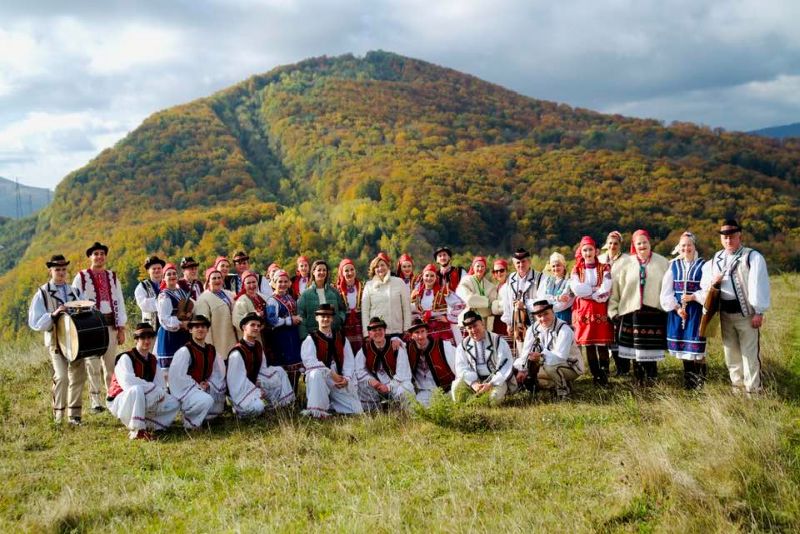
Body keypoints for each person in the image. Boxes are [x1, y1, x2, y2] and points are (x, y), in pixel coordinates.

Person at [700, 219, 770, 395]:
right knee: (731, 353)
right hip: (725, 314)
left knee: (749, 354)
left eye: (731, 236)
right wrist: (713, 283)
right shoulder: (717, 258)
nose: (728, 240)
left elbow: (758, 284)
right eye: (725, 237)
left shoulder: (752, 257)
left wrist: (759, 311)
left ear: (740, 236)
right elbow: (706, 284)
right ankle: (737, 388)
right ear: (721, 239)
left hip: (746, 314)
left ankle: (753, 391)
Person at [28, 254, 87, 425]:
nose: (61, 272)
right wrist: (53, 314)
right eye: (57, 269)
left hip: (76, 340)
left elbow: (86, 308)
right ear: (51, 271)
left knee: (78, 375)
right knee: (62, 377)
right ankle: (58, 417)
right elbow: (35, 322)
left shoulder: (74, 291)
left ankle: (74, 416)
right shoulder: (42, 293)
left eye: (63, 269)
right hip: (56, 341)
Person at [609, 230, 669, 386]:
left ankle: (652, 380)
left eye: (645, 242)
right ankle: (639, 381)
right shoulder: (624, 264)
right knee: (635, 352)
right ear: (634, 246)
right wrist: (613, 311)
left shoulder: (663, 262)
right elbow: (615, 289)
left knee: (651, 352)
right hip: (631, 313)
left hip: (654, 313)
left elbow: (669, 287)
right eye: (639, 243)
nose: (642, 245)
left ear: (650, 243)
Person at [72, 241, 127, 413]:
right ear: (90, 257)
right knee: (93, 365)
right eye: (95, 254)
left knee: (110, 365)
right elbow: (74, 302)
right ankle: (95, 402)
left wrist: (121, 328)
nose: (99, 257)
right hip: (92, 327)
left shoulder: (112, 277)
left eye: (102, 254)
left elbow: (120, 301)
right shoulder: (81, 277)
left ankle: (112, 398)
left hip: (111, 325)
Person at [107, 323, 180, 440]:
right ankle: (138, 430)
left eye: (149, 337)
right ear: (136, 339)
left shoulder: (152, 359)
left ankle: (152, 425)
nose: (147, 341)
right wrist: (154, 390)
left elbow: (160, 384)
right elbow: (127, 382)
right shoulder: (126, 358)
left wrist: (161, 393)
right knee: (137, 389)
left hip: (143, 395)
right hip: (120, 400)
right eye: (143, 338)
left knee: (174, 402)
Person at [660, 232, 710, 389]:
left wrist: (694, 296)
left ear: (694, 246)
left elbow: (708, 290)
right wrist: (676, 308)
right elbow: (666, 292)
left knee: (697, 349)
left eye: (689, 245)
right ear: (679, 247)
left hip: (696, 312)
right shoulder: (673, 266)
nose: (686, 248)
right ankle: (689, 382)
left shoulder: (703, 265)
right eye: (683, 245)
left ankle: (700, 382)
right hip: (678, 313)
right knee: (684, 349)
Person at [299, 304, 363, 418]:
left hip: (337, 380)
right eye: (322, 316)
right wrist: (330, 373)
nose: (325, 319)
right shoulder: (311, 339)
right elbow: (310, 362)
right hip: (320, 379)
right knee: (315, 373)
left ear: (332, 319)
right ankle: (317, 411)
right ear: (317, 318)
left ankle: (330, 405)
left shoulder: (341, 338)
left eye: (328, 316)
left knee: (357, 410)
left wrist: (346, 378)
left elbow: (349, 362)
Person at [226, 312, 295, 417]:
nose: (256, 328)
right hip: (241, 393)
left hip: (253, 384)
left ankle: (284, 403)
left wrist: (262, 384)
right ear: (244, 327)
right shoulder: (237, 353)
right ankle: (238, 409)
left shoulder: (258, 346)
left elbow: (262, 369)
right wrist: (256, 391)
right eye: (252, 325)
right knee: (258, 407)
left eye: (258, 326)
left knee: (279, 371)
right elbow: (236, 383)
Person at [514, 300, 584, 399]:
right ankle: (560, 384)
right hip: (546, 364)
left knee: (550, 367)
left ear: (553, 312)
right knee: (523, 373)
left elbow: (560, 357)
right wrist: (522, 370)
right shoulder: (533, 329)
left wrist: (541, 357)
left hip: (571, 366)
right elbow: (526, 352)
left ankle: (563, 392)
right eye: (539, 316)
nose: (543, 318)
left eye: (546, 314)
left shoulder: (564, 329)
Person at [569, 237, 614, 386]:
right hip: (584, 311)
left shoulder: (604, 268)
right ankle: (595, 374)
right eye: (585, 250)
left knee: (602, 343)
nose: (588, 253)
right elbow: (577, 289)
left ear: (596, 251)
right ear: (581, 252)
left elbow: (606, 288)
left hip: (600, 309)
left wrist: (590, 293)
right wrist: (595, 291)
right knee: (589, 344)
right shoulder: (576, 269)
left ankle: (604, 373)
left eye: (590, 249)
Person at [169, 315, 227, 429]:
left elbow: (218, 372)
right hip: (188, 390)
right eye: (196, 327)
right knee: (206, 400)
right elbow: (178, 377)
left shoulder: (211, 350)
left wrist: (209, 384)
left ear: (207, 330)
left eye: (203, 327)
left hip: (205, 387)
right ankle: (190, 423)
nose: (200, 329)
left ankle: (204, 416)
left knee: (218, 401)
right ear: (190, 330)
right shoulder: (185, 351)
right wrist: (197, 386)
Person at [452, 310, 516, 405]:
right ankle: (463, 407)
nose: (473, 330)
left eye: (475, 326)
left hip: (496, 381)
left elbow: (505, 366)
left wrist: (490, 384)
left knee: (493, 399)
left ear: (482, 324)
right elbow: (461, 368)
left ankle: (502, 395)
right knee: (456, 387)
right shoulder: (463, 345)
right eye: (469, 328)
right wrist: (473, 384)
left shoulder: (497, 341)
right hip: (475, 382)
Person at [355, 317, 415, 411]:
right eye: (374, 330)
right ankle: (376, 409)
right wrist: (370, 380)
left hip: (395, 385)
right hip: (376, 386)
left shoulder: (396, 347)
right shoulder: (365, 349)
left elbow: (403, 373)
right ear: (370, 333)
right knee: (359, 385)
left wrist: (388, 387)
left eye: (380, 329)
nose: (378, 332)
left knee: (406, 388)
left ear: (385, 331)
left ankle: (402, 409)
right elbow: (359, 370)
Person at [500, 248, 545, 356]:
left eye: (523, 261)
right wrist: (508, 323)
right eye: (518, 262)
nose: (521, 265)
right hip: (518, 324)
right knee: (521, 354)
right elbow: (507, 302)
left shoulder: (540, 277)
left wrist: (525, 304)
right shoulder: (511, 278)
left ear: (529, 261)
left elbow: (543, 301)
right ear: (514, 264)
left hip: (535, 322)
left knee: (536, 353)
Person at [266, 270, 304, 391]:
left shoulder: (289, 297)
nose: (283, 284)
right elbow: (272, 320)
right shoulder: (272, 300)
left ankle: (294, 394)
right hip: (281, 337)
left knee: (295, 367)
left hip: (293, 335)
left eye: (285, 281)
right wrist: (290, 320)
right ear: (274, 283)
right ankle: (286, 395)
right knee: (285, 367)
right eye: (280, 282)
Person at [598, 230, 630, 376]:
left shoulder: (627, 260)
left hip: (620, 301)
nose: (612, 246)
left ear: (620, 245)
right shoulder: (600, 259)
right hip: (602, 301)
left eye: (615, 243)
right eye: (610, 243)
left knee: (620, 334)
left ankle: (624, 368)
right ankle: (614, 366)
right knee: (608, 335)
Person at [361, 252, 412, 340]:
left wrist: (407, 329)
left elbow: (406, 308)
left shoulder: (399, 282)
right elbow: (365, 312)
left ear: (388, 266)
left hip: (396, 331)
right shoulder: (369, 286)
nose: (380, 268)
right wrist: (366, 333)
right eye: (377, 266)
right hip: (376, 332)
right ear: (373, 269)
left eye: (382, 265)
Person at [406, 318, 456, 407]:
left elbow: (457, 366)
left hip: (447, 389)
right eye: (417, 332)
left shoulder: (442, 345)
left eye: (422, 331)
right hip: (425, 391)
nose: (420, 336)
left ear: (427, 332)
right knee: (415, 408)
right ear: (411, 336)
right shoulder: (408, 349)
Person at [411, 263, 465, 344]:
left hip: (441, 329)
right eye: (427, 275)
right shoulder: (417, 293)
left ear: (436, 277)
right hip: (423, 331)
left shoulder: (443, 291)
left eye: (432, 276)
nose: (429, 278)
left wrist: (448, 317)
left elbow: (460, 305)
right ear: (423, 276)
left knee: (444, 350)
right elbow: (411, 310)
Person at [155, 263, 193, 373]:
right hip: (169, 335)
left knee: (184, 368)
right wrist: (181, 323)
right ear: (164, 278)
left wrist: (189, 316)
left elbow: (190, 307)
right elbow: (164, 319)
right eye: (169, 274)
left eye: (174, 274)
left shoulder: (182, 292)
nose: (172, 276)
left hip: (183, 334)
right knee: (169, 371)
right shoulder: (164, 296)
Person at [194, 267, 238, 358]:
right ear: (208, 281)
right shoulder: (203, 299)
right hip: (219, 343)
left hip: (233, 339)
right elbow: (204, 326)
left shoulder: (229, 294)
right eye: (214, 278)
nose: (217, 280)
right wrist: (208, 348)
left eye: (219, 278)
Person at [297, 260, 346, 339]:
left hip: (334, 335)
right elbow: (301, 316)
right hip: (313, 336)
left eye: (324, 270)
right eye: (319, 270)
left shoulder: (334, 292)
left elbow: (342, 309)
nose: (322, 272)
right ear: (313, 272)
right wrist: (305, 336)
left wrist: (339, 319)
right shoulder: (305, 294)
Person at [457, 256, 499, 331]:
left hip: (484, 323)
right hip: (468, 321)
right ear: (473, 267)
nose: (480, 268)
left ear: (485, 268)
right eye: (478, 266)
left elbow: (491, 307)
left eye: (482, 266)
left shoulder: (491, 286)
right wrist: (486, 302)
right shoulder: (466, 281)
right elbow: (470, 300)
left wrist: (475, 302)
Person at [336, 258, 365, 354]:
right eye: (346, 271)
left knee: (361, 352)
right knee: (347, 352)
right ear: (342, 273)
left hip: (360, 324)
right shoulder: (337, 290)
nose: (350, 273)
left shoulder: (363, 286)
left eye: (352, 269)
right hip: (345, 326)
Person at [537, 252, 574, 323]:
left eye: (558, 265)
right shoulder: (547, 281)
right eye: (553, 266)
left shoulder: (569, 281)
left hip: (563, 317)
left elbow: (563, 304)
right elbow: (541, 297)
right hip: (548, 318)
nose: (556, 268)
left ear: (563, 266)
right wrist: (557, 298)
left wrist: (548, 302)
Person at [232, 270, 268, 339]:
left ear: (257, 283)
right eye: (248, 283)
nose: (252, 285)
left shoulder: (264, 297)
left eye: (254, 282)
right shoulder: (241, 300)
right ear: (244, 285)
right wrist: (254, 316)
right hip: (252, 337)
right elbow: (237, 320)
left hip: (267, 335)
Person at [134, 255, 164, 331]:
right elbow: (144, 305)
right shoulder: (142, 287)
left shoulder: (168, 285)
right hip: (150, 328)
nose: (157, 270)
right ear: (148, 271)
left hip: (167, 327)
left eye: (159, 268)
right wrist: (162, 301)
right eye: (154, 269)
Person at [490, 259, 510, 339]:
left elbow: (509, 305)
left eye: (501, 270)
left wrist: (494, 306)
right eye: (496, 271)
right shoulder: (495, 287)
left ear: (506, 271)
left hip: (507, 323)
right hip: (497, 323)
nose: (499, 273)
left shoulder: (510, 286)